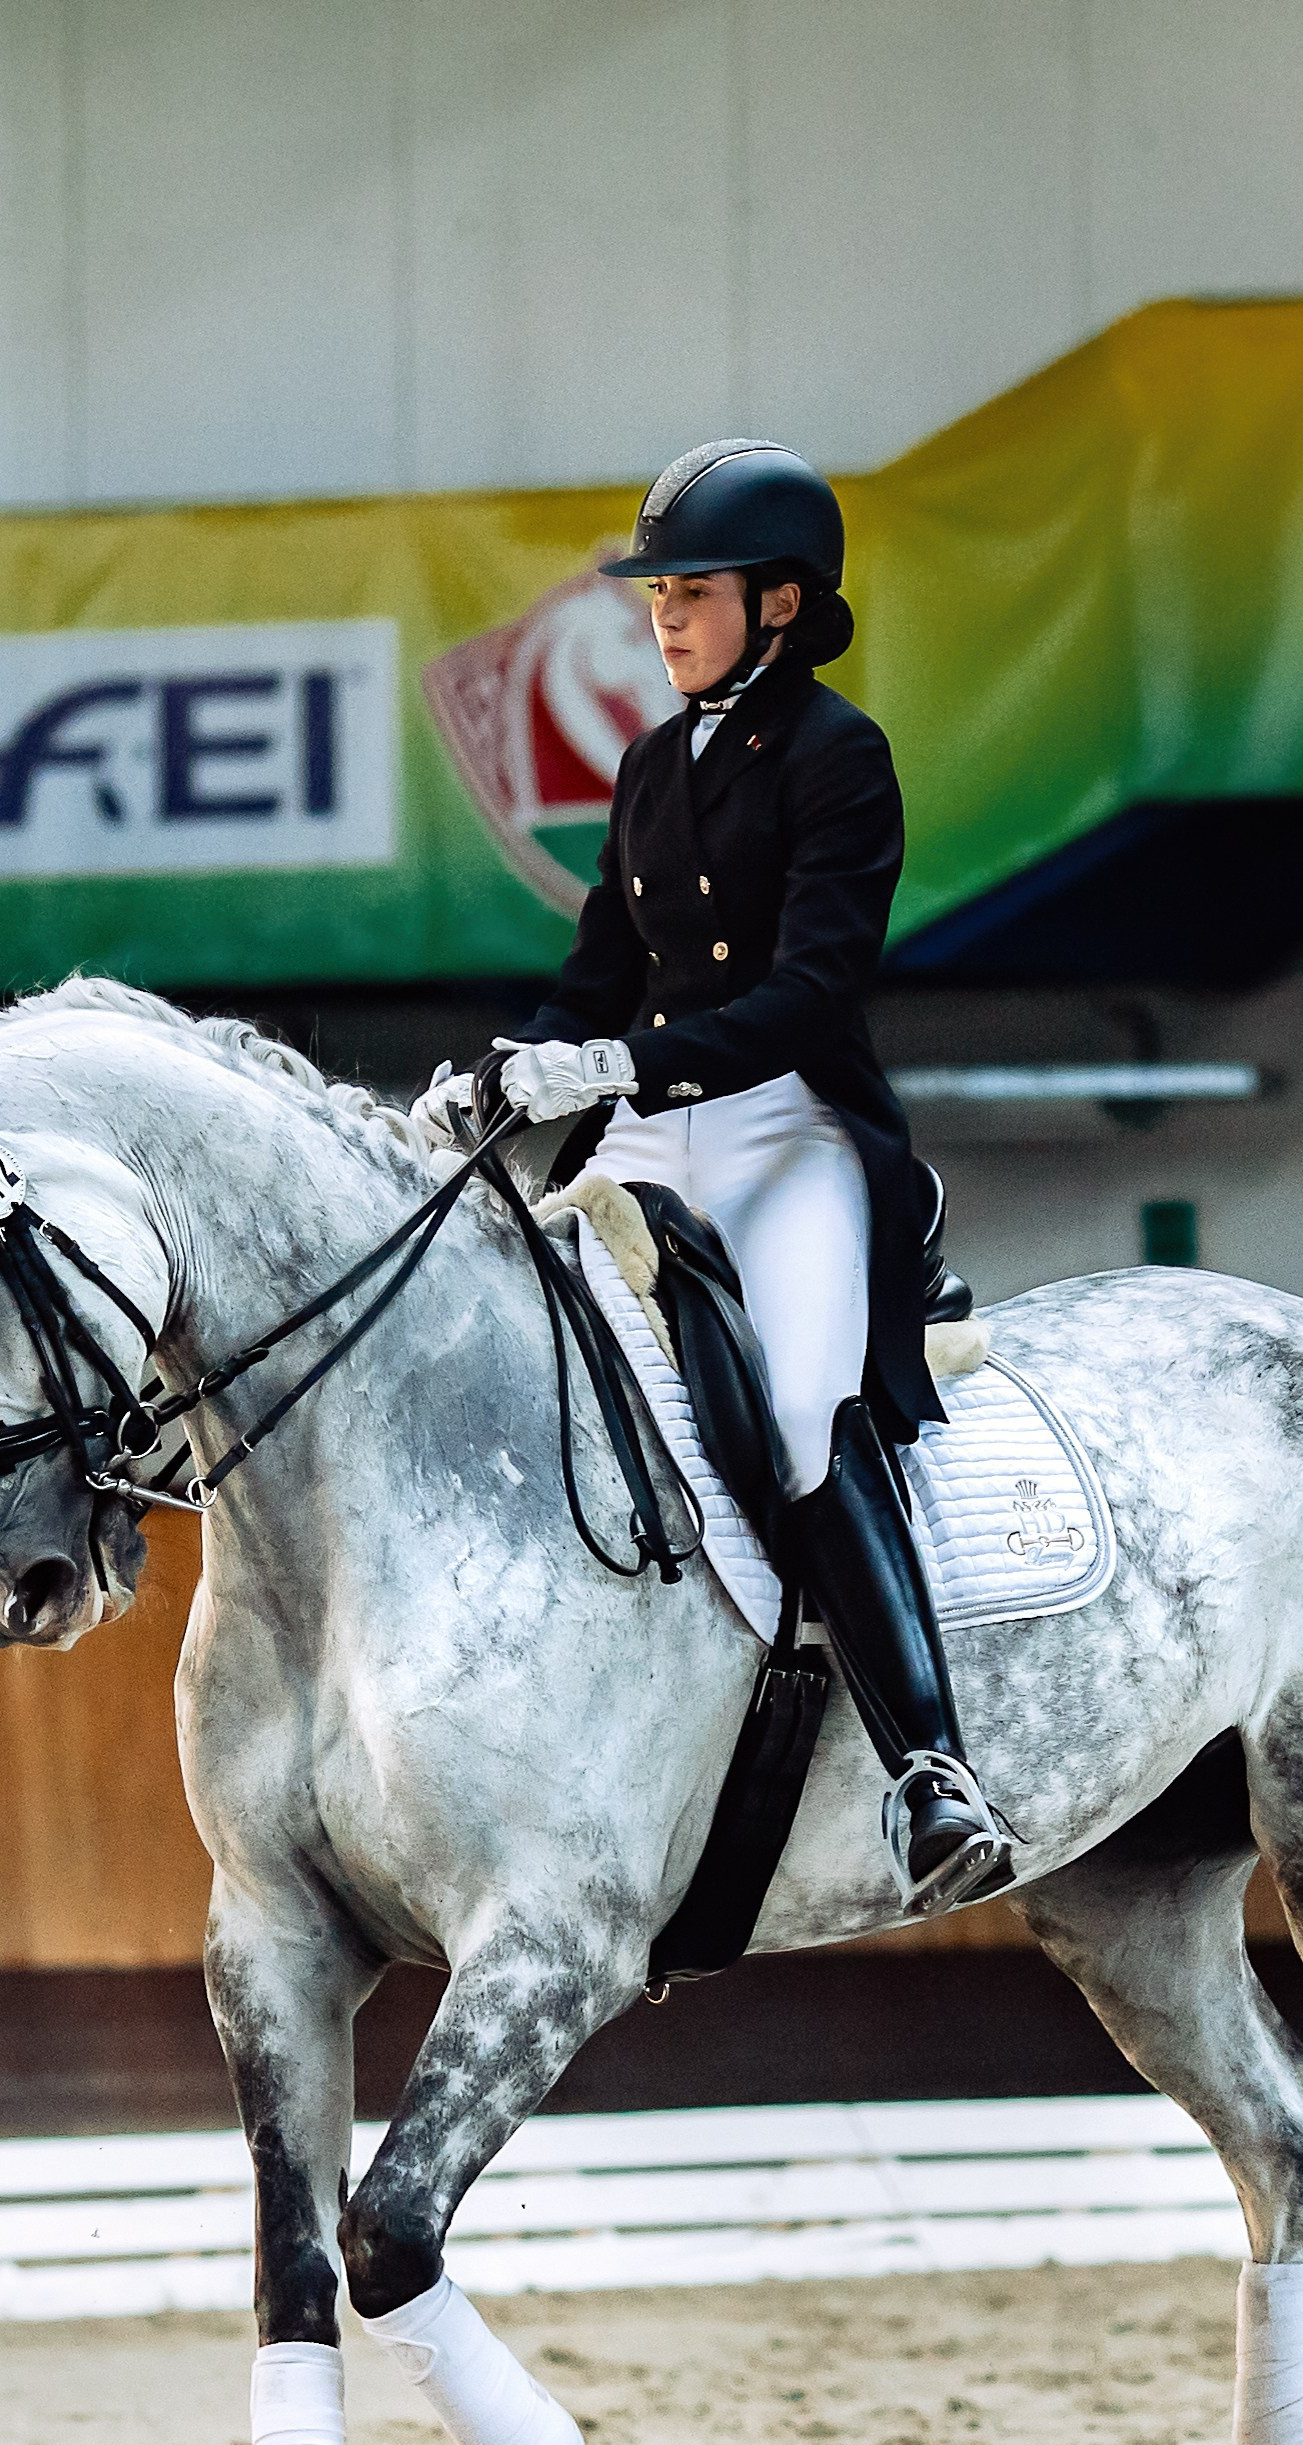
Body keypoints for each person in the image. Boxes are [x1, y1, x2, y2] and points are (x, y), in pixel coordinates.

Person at [418, 440, 1010, 1918]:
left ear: (785, 604)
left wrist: (619, 1070)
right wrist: (505, 1068)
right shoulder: (647, 765)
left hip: (789, 1125)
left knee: (808, 1408)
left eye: (692, 591)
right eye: (660, 592)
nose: (663, 617)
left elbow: (813, 992)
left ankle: (931, 1769)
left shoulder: (836, 758)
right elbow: (600, 978)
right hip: (655, 1132)